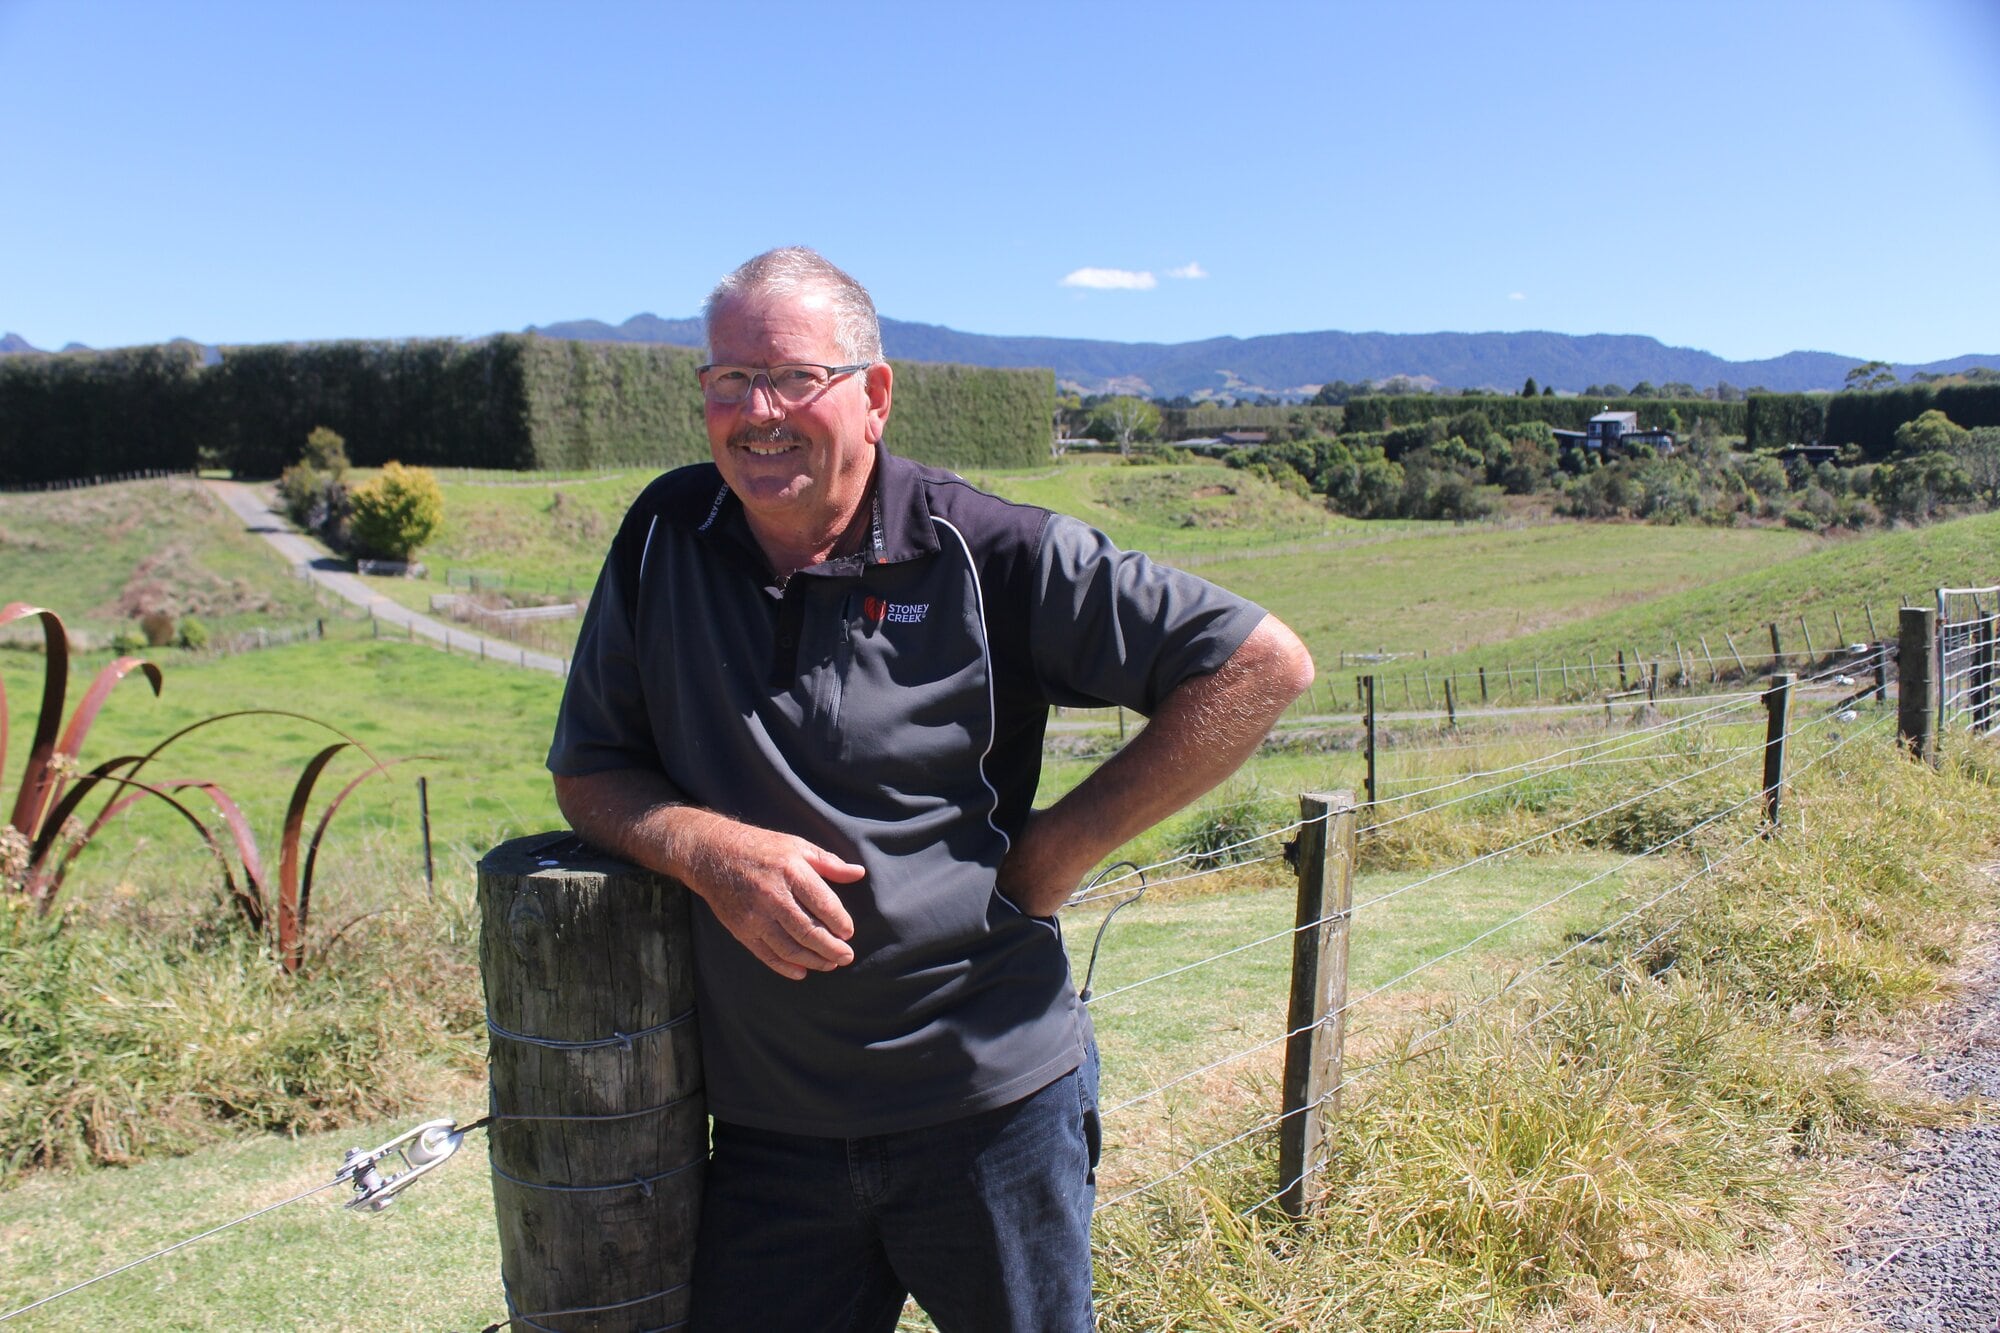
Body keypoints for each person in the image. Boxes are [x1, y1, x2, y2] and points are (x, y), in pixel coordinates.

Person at [547, 246, 1315, 1332]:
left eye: (792, 378)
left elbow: (1258, 662)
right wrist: (708, 851)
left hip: (989, 1115)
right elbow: (589, 771)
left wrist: (1056, 851)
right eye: (727, 382)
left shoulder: (985, 549)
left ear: (873, 395)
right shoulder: (664, 538)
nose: (756, 412)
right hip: (767, 1138)